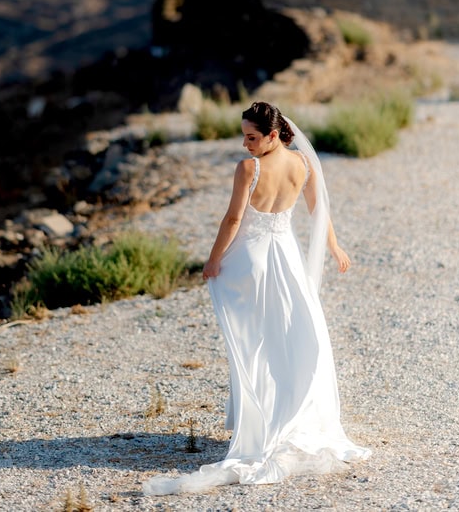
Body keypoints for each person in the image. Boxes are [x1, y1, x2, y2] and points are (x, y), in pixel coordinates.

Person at [143, 101, 370, 495]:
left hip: (251, 261)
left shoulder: (250, 168)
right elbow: (319, 212)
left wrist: (213, 260)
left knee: (253, 342)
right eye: (244, 137)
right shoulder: (303, 163)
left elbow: (233, 220)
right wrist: (334, 248)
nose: (246, 144)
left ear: (273, 134)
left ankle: (264, 422)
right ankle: (277, 416)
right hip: (286, 257)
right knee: (290, 334)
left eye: (252, 137)